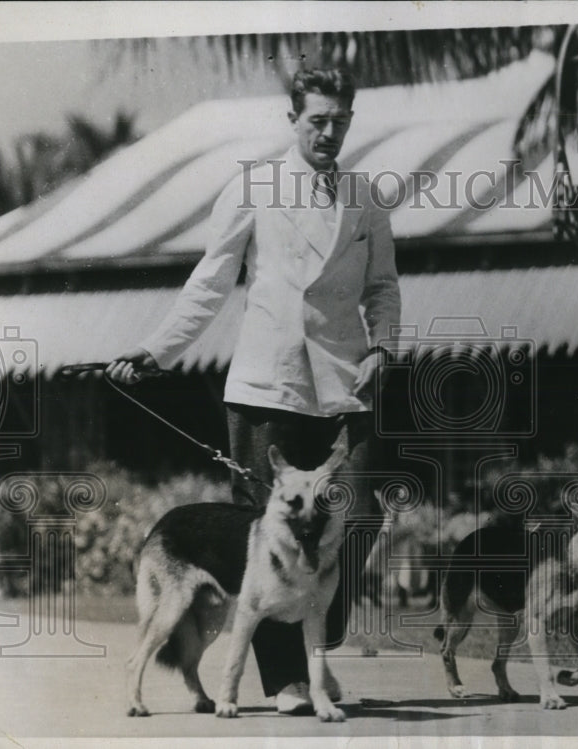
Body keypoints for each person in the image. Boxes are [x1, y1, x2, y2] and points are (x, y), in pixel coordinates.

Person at [107, 67, 401, 714]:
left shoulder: (366, 195)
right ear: (292, 120)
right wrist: (155, 351)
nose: (329, 132)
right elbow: (209, 281)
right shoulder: (255, 186)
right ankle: (290, 681)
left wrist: (381, 345)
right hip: (269, 385)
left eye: (340, 120)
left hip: (345, 383)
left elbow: (382, 287)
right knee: (267, 530)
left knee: (358, 512)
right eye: (317, 120)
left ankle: (318, 640)